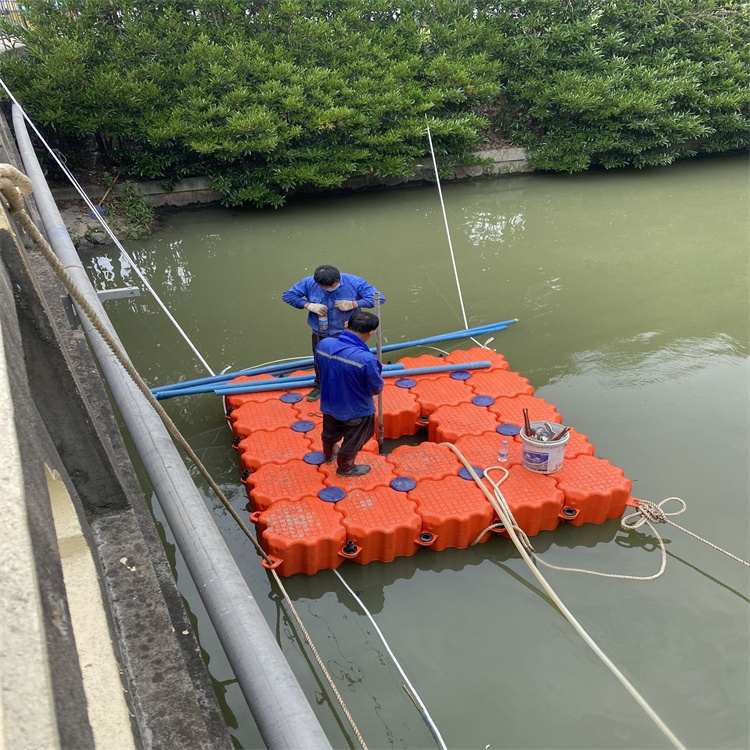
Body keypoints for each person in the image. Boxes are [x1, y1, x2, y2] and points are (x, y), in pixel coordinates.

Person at [282, 265, 385, 401]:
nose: (329, 289)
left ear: (339, 279)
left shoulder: (354, 282)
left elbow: (379, 298)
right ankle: (320, 386)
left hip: (348, 333)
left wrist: (354, 304)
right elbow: (288, 295)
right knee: (320, 360)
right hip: (321, 332)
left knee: (351, 362)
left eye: (332, 286)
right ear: (317, 283)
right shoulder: (308, 282)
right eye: (324, 288)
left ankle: (354, 387)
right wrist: (308, 305)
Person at [315, 310, 383, 477]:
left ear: (346, 324)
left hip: (329, 402)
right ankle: (346, 467)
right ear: (371, 333)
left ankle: (329, 454)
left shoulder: (324, 345)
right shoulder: (366, 359)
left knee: (330, 432)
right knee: (356, 438)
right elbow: (375, 387)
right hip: (357, 408)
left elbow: (319, 370)